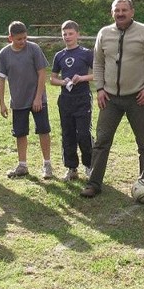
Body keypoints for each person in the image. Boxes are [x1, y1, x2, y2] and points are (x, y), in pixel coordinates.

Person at [80, 0, 144, 198]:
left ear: (132, 12)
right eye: (117, 10)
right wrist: (99, 89)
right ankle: (94, 183)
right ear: (112, 13)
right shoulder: (104, 33)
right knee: (101, 141)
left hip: (138, 97)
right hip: (110, 98)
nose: (120, 13)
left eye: (124, 10)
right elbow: (98, 64)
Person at [0, 21, 52, 179]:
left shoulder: (34, 49)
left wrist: (38, 98)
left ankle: (47, 164)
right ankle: (22, 165)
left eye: (25, 38)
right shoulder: (4, 54)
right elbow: (1, 79)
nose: (22, 42)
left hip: (37, 100)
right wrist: (1, 103)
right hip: (18, 101)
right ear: (10, 38)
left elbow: (42, 73)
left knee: (43, 130)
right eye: (19, 39)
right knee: (20, 133)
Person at [50, 20, 94, 182]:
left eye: (70, 34)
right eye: (64, 34)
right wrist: (63, 81)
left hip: (82, 99)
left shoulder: (86, 53)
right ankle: (71, 168)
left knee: (83, 133)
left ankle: (90, 166)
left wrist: (82, 78)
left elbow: (98, 74)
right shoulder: (59, 55)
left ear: (78, 34)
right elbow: (52, 79)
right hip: (65, 100)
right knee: (67, 134)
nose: (67, 37)